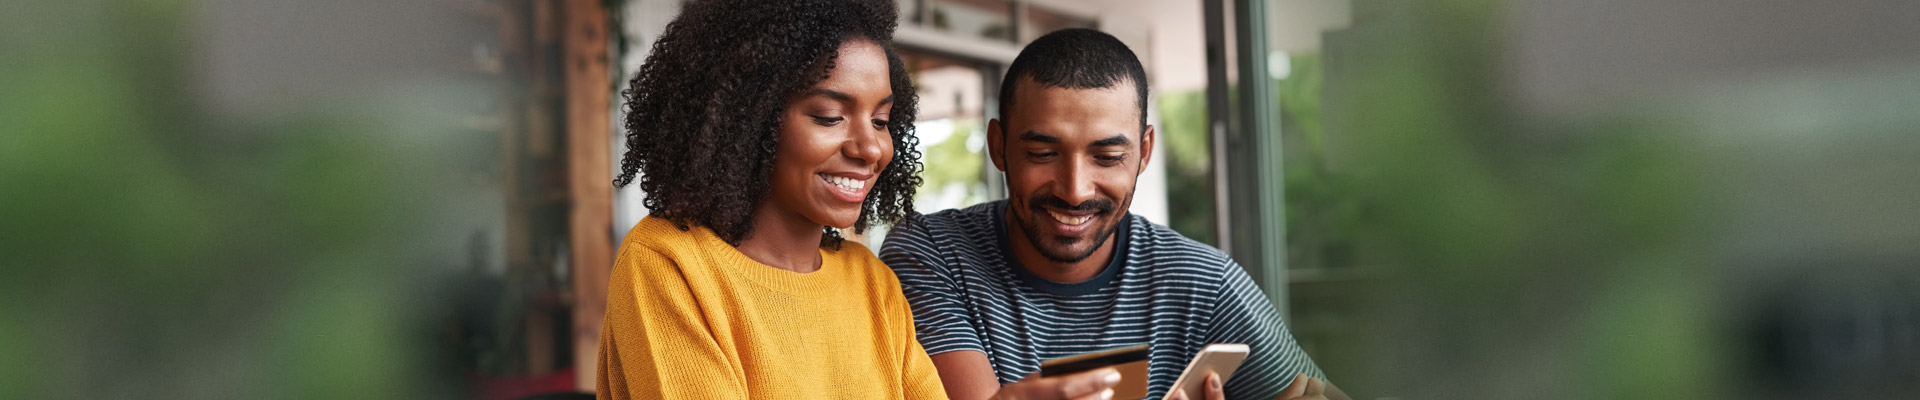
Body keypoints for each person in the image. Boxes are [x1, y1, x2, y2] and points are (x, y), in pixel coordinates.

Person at [880, 29, 1348, 400]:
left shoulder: (1203, 283)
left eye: (1107, 157)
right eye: (1043, 152)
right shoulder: (932, 253)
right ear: (999, 146)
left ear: (1144, 152)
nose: (1075, 190)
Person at [594, 0, 946, 398]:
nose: (871, 148)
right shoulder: (670, 264)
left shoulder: (872, 282)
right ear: (746, 119)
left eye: (881, 121)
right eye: (830, 116)